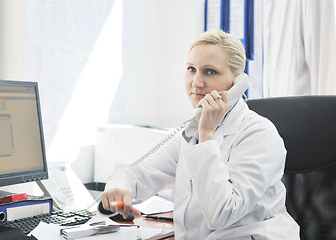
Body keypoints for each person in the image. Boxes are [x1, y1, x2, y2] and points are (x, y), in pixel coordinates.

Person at [101, 30, 300, 240]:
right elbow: (136, 174)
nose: (196, 81)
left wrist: (207, 133)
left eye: (210, 71)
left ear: (237, 81)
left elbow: (222, 213)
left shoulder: (259, 134)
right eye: (191, 69)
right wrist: (118, 190)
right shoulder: (190, 133)